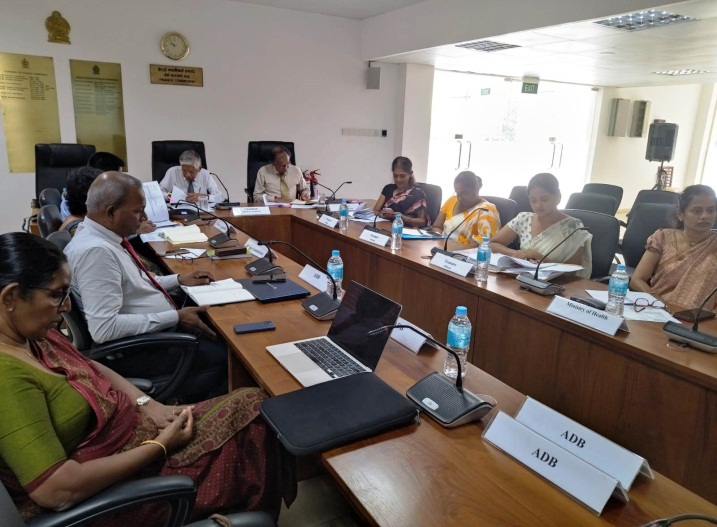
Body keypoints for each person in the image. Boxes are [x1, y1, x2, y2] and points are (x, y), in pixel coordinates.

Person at [0, 232, 294, 524]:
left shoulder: (30, 335)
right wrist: (160, 446)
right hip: (118, 492)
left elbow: (89, 365)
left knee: (256, 404)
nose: (66, 307)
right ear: (11, 297)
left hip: (135, 438)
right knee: (256, 424)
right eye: (56, 295)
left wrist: (148, 404)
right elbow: (57, 490)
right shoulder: (7, 378)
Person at [64, 172, 227, 401]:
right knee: (232, 354)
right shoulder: (96, 252)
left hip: (156, 335)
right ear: (111, 212)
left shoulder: (101, 237)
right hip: (142, 351)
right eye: (138, 211)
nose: (144, 217)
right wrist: (175, 317)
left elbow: (136, 283)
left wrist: (179, 279)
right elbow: (104, 328)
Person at [630, 184, 717, 310]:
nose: (705, 216)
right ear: (680, 214)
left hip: (701, 317)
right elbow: (637, 280)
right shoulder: (662, 238)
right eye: (697, 211)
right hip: (657, 310)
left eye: (711, 210)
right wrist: (656, 300)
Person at [491, 173, 593, 278]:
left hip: (556, 282)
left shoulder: (573, 227)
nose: (538, 205)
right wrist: (518, 254)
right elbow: (493, 244)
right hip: (523, 277)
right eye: (533, 200)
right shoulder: (524, 218)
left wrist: (539, 257)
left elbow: (572, 271)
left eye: (544, 199)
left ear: (558, 197)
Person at [428, 171, 500, 245]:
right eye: (457, 193)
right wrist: (440, 239)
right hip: (442, 246)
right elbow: (437, 227)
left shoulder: (486, 210)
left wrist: (450, 246)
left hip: (465, 251)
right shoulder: (452, 200)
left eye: (463, 193)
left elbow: (485, 244)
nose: (459, 198)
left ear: (476, 188)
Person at [371, 157, 429, 228]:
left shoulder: (417, 194)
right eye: (395, 176)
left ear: (410, 173)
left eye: (402, 176)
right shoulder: (388, 188)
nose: (398, 180)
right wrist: (383, 215)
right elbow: (375, 211)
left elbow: (423, 221)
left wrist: (404, 218)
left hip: (405, 230)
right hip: (384, 227)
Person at [159, 150, 223, 204]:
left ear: (199, 168)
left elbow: (220, 198)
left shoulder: (206, 175)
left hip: (201, 211)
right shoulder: (173, 172)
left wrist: (203, 197)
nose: (187, 175)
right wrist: (172, 196)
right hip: (178, 210)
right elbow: (158, 193)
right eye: (184, 171)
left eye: (191, 172)